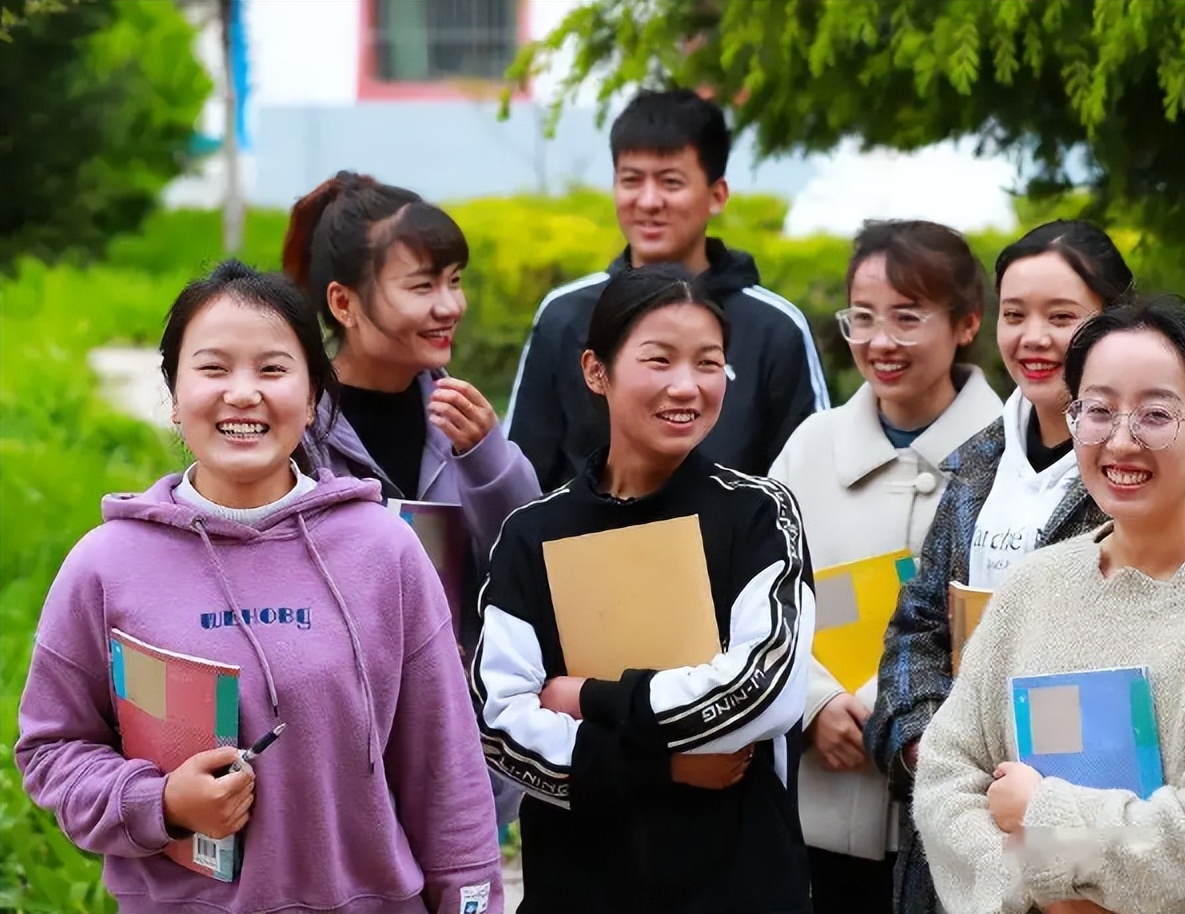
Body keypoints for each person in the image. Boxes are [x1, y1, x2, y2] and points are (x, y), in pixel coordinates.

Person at [16, 261, 503, 914]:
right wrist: (158, 804)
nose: (242, 394)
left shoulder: (384, 552)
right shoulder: (107, 565)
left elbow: (447, 769)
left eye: (272, 370)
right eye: (213, 368)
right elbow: (52, 749)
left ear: (311, 398)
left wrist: (474, 901)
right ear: (174, 391)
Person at [912, 298, 1185, 914]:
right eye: (1098, 411)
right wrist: (1044, 892)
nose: (1121, 441)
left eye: (1156, 414)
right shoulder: (1034, 587)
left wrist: (1044, 819)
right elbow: (948, 773)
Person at [867, 220, 1185, 914]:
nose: (1034, 339)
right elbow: (918, 626)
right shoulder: (975, 465)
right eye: (1015, 314)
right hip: (961, 816)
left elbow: (1170, 643)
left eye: (1063, 317)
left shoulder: (1147, 465)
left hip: (1087, 817)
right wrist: (927, 749)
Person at [473, 264, 815, 913]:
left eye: (709, 363)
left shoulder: (759, 514)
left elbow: (762, 691)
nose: (686, 386)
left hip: (736, 883)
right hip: (577, 886)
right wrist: (660, 765)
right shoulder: (533, 533)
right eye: (658, 360)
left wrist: (592, 698)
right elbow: (501, 727)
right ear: (596, 372)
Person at [768, 220, 1002, 913]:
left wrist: (876, 714)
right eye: (862, 318)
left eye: (907, 318)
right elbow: (763, 597)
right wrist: (811, 705)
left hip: (958, 797)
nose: (879, 342)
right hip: (819, 797)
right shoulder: (811, 447)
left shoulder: (1007, 456)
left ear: (965, 324)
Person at [505, 88, 830, 490]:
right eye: (631, 180)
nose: (649, 200)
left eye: (671, 182)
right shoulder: (565, 314)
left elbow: (810, 480)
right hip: (588, 552)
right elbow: (523, 473)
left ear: (717, 195)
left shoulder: (774, 327)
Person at [283, 170, 540, 655]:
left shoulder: (461, 420)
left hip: (451, 701)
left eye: (454, 281)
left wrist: (488, 459)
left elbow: (529, 561)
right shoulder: (294, 426)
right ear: (344, 302)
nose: (450, 306)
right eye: (422, 287)